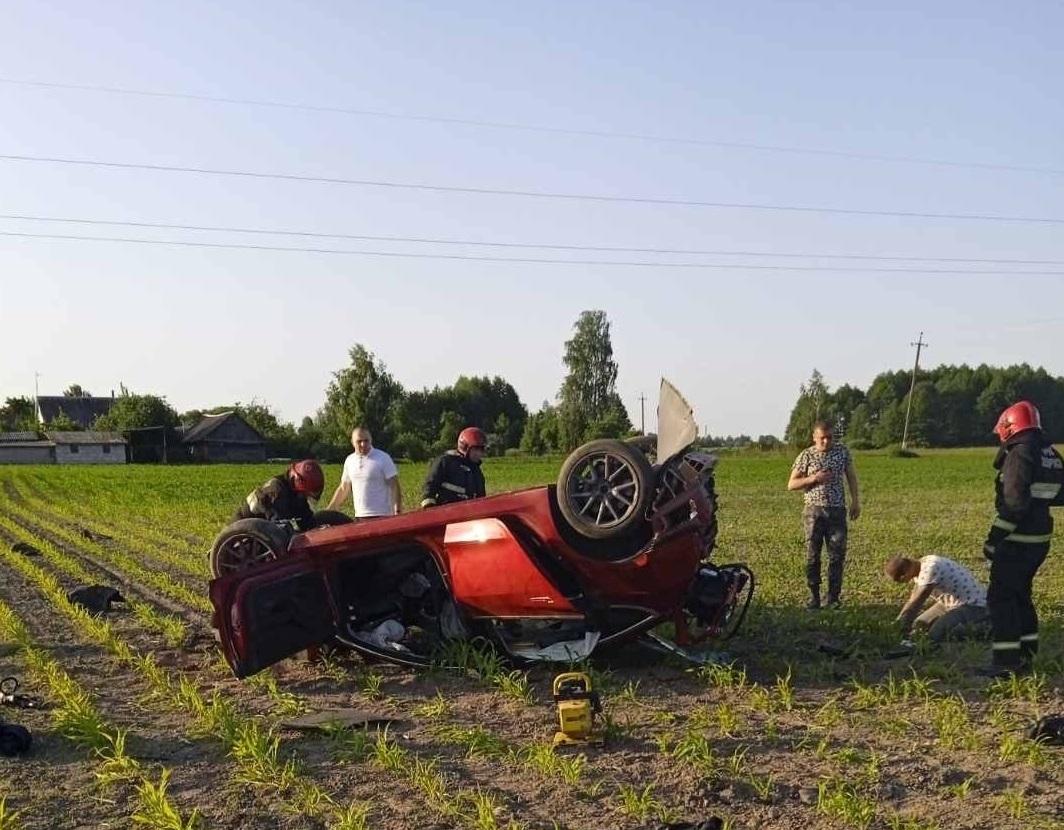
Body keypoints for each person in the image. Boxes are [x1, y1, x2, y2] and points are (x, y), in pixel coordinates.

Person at [981, 401, 1064, 677]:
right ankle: (1027, 656)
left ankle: (1006, 663)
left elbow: (1014, 504)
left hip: (1018, 539)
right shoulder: (1049, 452)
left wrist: (994, 539)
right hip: (1040, 538)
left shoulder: (1020, 452)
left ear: (1010, 426)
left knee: (1001, 597)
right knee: (1021, 595)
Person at [787, 420, 861, 609]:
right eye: (822, 438)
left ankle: (833, 598)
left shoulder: (842, 452)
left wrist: (855, 501)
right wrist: (813, 478)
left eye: (830, 438)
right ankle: (814, 597)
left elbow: (851, 477)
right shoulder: (806, 455)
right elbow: (791, 484)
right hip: (814, 511)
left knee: (837, 556)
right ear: (814, 437)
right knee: (813, 556)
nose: (826, 442)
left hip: (837, 511)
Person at [884, 555, 989, 643]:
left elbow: (917, 602)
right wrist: (899, 621)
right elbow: (912, 599)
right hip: (949, 603)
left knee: (937, 633)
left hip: (973, 604)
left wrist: (903, 624)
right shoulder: (921, 566)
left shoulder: (930, 568)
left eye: (900, 580)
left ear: (905, 574)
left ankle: (987, 628)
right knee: (919, 626)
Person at [326, 426, 402, 518]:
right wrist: (329, 510)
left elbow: (394, 485)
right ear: (352, 442)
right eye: (359, 441)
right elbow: (344, 488)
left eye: (366, 441)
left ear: (371, 440)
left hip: (382, 516)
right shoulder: (350, 461)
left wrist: (397, 511)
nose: (363, 444)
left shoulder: (383, 458)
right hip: (360, 516)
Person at [232, 459, 325, 531]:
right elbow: (278, 526)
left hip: (262, 530)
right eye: (305, 494)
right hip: (243, 534)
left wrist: (317, 529)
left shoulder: (296, 493)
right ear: (296, 481)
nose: (304, 497)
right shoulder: (277, 491)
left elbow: (305, 518)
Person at [420, 426, 487, 508]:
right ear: (465, 447)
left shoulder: (476, 472)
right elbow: (429, 487)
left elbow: (481, 498)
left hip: (468, 515)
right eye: (476, 450)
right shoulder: (445, 462)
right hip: (445, 513)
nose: (479, 454)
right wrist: (429, 508)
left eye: (481, 450)